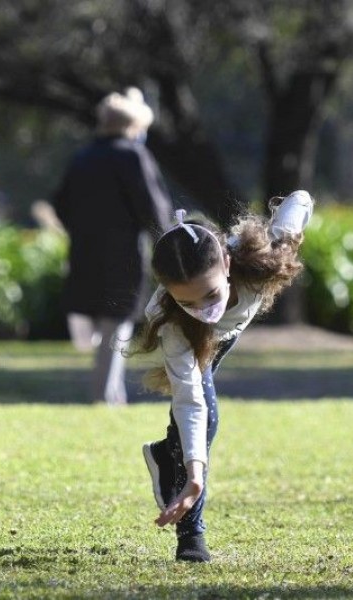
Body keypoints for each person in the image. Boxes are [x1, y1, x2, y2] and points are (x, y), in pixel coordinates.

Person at [134, 190, 314, 562]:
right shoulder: (175, 324)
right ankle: (191, 539)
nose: (204, 310)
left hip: (224, 340)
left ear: (228, 264)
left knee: (191, 436)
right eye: (188, 301)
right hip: (198, 346)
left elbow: (300, 199)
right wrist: (194, 473)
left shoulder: (259, 257)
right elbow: (189, 400)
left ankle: (165, 456)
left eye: (210, 294)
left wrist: (297, 217)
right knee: (205, 422)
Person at [53, 87, 173, 405]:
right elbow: (154, 210)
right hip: (123, 257)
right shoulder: (133, 156)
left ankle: (112, 395)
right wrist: (168, 244)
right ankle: (105, 397)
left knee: (99, 325)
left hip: (83, 253)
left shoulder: (82, 157)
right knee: (114, 327)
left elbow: (61, 203)